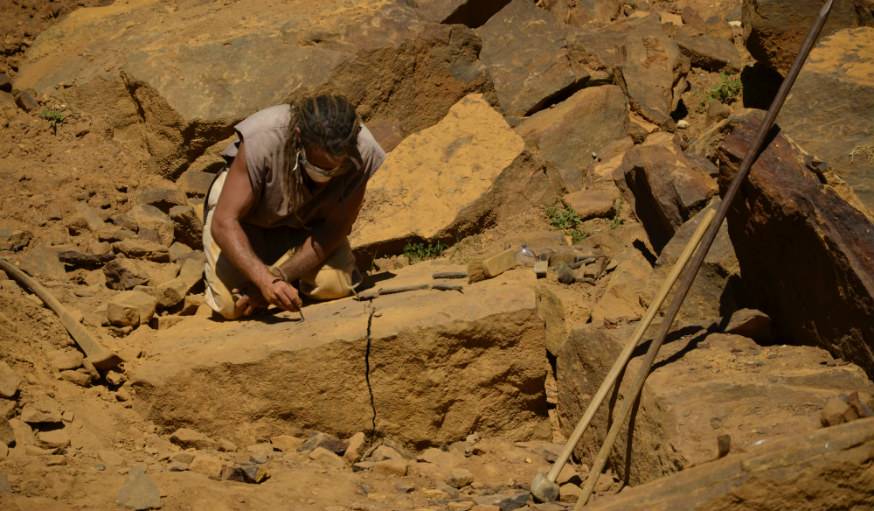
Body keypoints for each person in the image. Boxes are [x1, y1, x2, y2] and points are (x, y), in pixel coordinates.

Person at [202, 94, 385, 319]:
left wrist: (279, 276)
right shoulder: (264, 136)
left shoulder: (363, 151)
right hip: (249, 220)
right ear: (299, 137)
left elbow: (335, 228)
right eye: (320, 166)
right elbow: (224, 222)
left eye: (335, 170)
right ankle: (269, 272)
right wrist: (265, 280)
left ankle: (289, 277)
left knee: (333, 286)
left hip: (306, 226)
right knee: (232, 305)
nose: (327, 177)